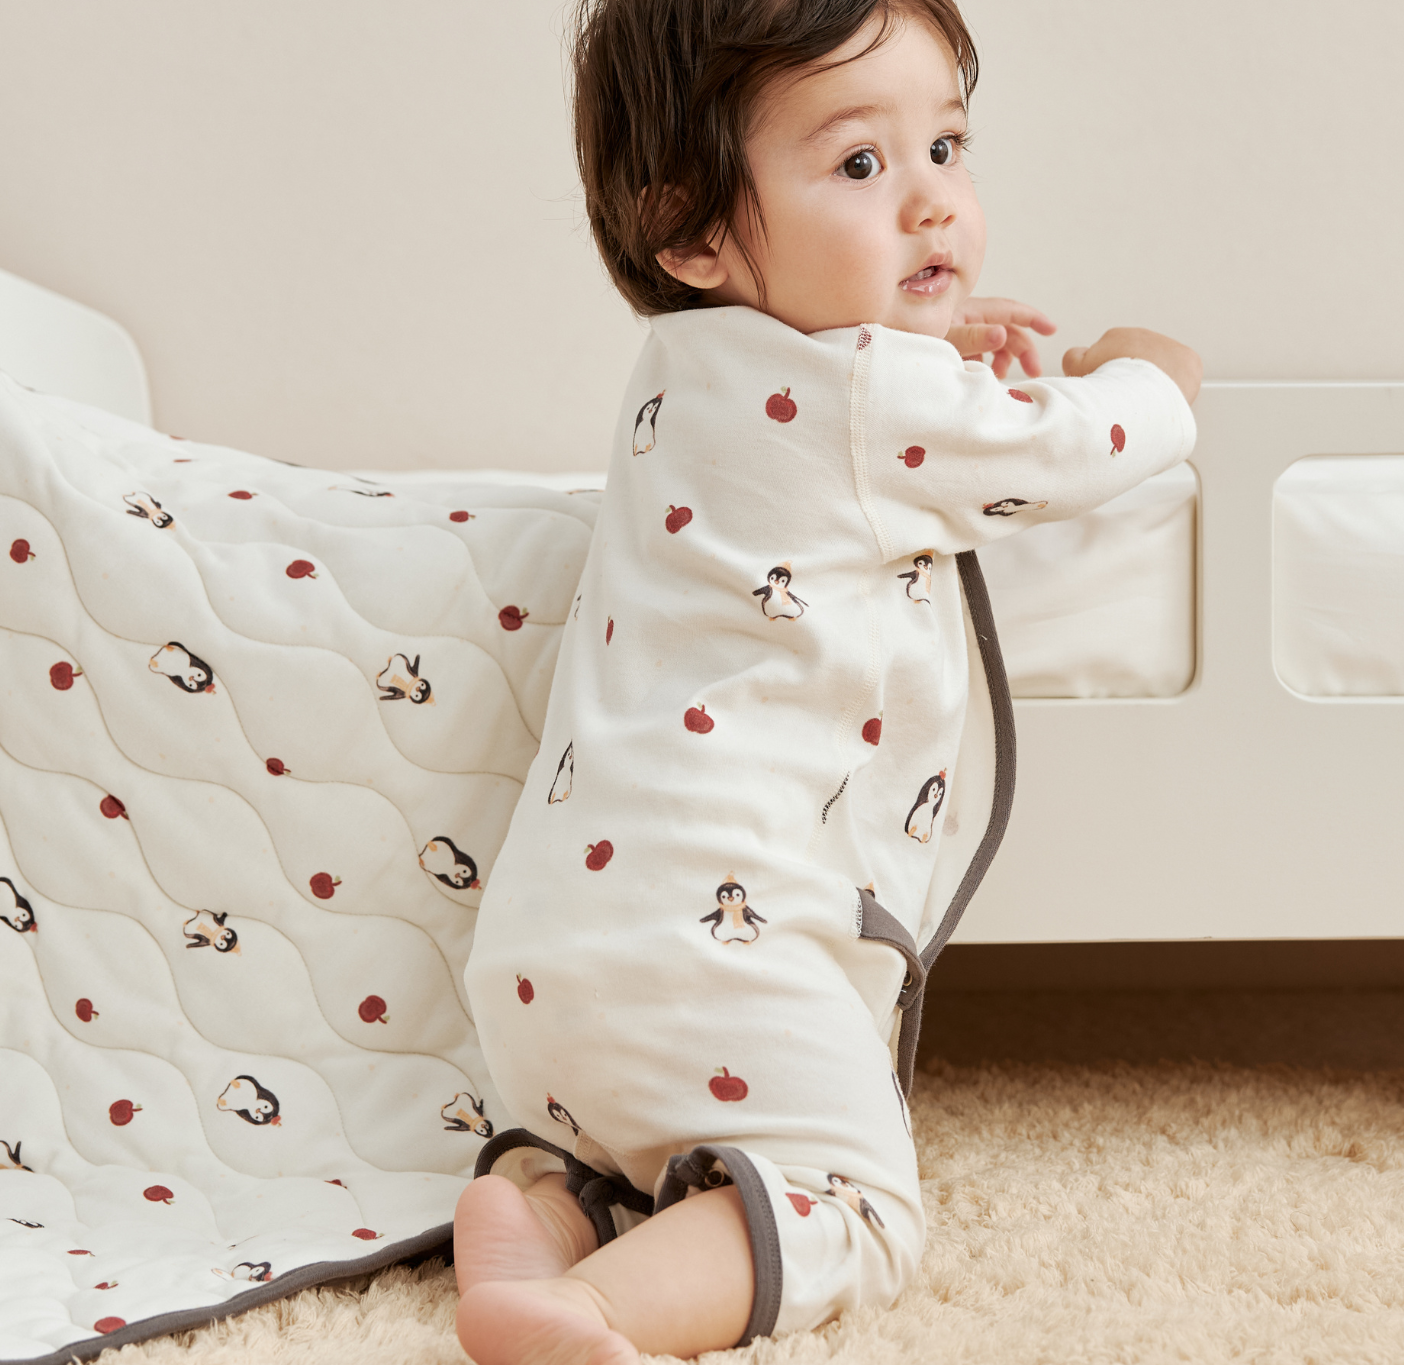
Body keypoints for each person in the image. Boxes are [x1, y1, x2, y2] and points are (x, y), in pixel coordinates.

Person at [455, 2, 1202, 1360]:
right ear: (690, 235)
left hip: (548, 956)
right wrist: (1150, 379)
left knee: (630, 1152)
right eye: (862, 165)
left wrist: (926, 340)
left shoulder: (682, 377)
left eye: (948, 145)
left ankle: (541, 1206)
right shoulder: (866, 405)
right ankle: (587, 1307)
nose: (933, 205)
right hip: (716, 948)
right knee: (853, 1206)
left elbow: (847, 414)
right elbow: (1060, 448)